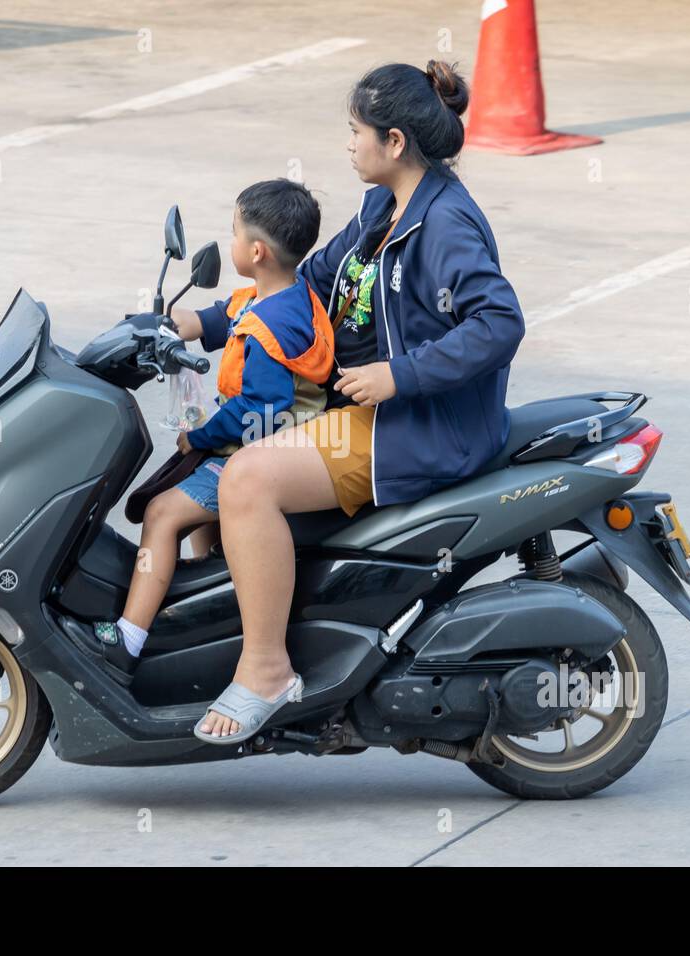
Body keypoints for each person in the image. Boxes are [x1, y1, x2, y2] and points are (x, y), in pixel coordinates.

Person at [194, 60, 527, 742]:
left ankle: (265, 668)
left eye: (356, 132)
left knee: (246, 478)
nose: (349, 145)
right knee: (211, 459)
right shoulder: (384, 208)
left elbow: (499, 323)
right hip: (369, 411)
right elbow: (302, 287)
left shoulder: (445, 225)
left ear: (395, 142)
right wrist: (201, 324)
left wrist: (398, 376)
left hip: (417, 427)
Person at [90, 178, 334, 686]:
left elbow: (259, 408)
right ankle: (209, 607)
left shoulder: (272, 328)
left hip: (259, 452)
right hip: (264, 443)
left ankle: (127, 639)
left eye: (234, 233)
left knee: (161, 513)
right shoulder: (285, 296)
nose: (231, 242)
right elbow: (221, 316)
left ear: (257, 251)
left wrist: (198, 438)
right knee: (194, 511)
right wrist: (161, 323)